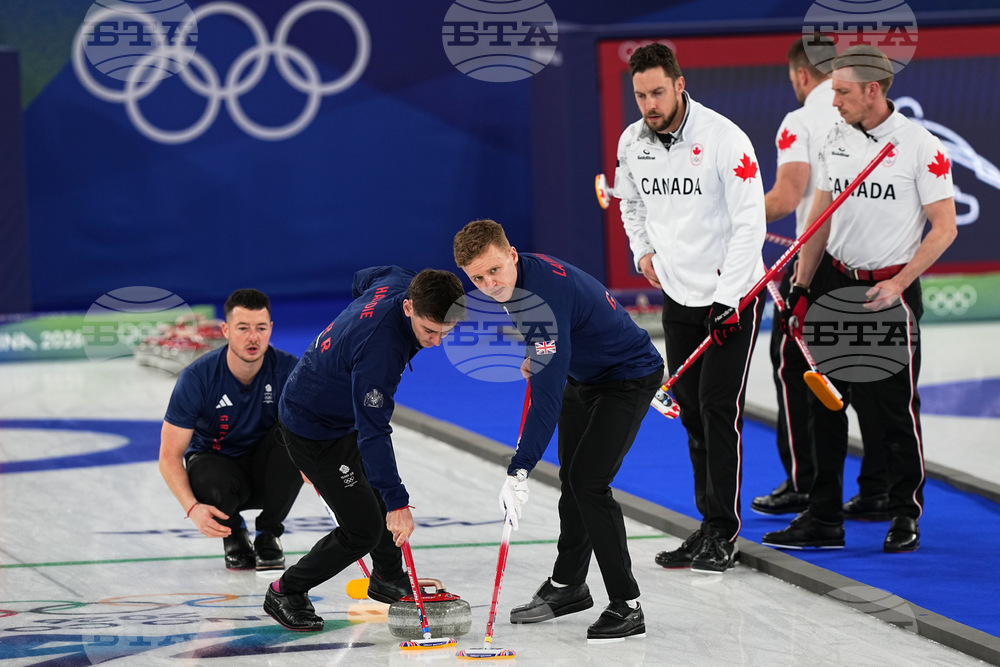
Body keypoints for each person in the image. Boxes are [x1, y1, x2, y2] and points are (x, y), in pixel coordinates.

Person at [762, 45, 957, 553]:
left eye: (843, 92)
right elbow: (819, 219)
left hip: (887, 293)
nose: (835, 101)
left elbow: (944, 228)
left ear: (873, 91)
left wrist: (900, 282)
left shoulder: (920, 146)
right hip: (833, 283)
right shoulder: (835, 136)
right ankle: (824, 518)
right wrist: (802, 287)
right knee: (824, 408)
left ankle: (903, 513)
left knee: (894, 412)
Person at [453, 219, 664, 642]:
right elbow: (555, 339)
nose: (489, 284)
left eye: (494, 270)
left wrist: (520, 468)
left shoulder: (542, 299)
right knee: (573, 478)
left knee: (589, 483)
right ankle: (569, 585)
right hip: (583, 376)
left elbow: (546, 399)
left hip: (627, 377)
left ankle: (627, 605)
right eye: (477, 279)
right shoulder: (520, 279)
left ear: (512, 254)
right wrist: (541, 353)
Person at [615, 43, 766, 573]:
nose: (650, 105)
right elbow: (631, 203)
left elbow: (750, 223)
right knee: (693, 413)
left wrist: (729, 299)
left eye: (658, 92)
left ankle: (724, 532)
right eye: (641, 95)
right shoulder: (632, 142)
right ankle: (707, 523)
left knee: (718, 409)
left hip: (731, 297)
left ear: (680, 85)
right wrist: (643, 251)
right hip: (678, 296)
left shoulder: (725, 139)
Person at [261, 266, 466, 632]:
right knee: (362, 529)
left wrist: (351, 329)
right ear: (408, 307)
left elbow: (364, 279)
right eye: (429, 331)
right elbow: (373, 432)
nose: (436, 342)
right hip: (313, 428)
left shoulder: (399, 281)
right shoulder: (379, 354)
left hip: (337, 410)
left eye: (445, 333)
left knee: (375, 492)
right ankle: (285, 591)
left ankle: (388, 576)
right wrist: (399, 504)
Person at [752, 35, 889, 519]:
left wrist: (729, 214)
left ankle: (805, 483)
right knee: (871, 375)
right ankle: (880, 490)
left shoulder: (801, 120)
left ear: (801, 75)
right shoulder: (875, 118)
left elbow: (787, 198)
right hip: (872, 263)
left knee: (795, 369)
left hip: (816, 262)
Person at [159, 288, 302, 572]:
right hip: (219, 466)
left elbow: (318, 426)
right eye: (243, 328)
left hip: (269, 470)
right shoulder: (197, 378)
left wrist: (317, 467)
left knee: (298, 440)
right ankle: (234, 531)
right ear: (225, 330)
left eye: (261, 328)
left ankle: (269, 533)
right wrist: (191, 508)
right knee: (205, 475)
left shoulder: (290, 371)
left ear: (271, 329)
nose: (253, 337)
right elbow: (169, 456)